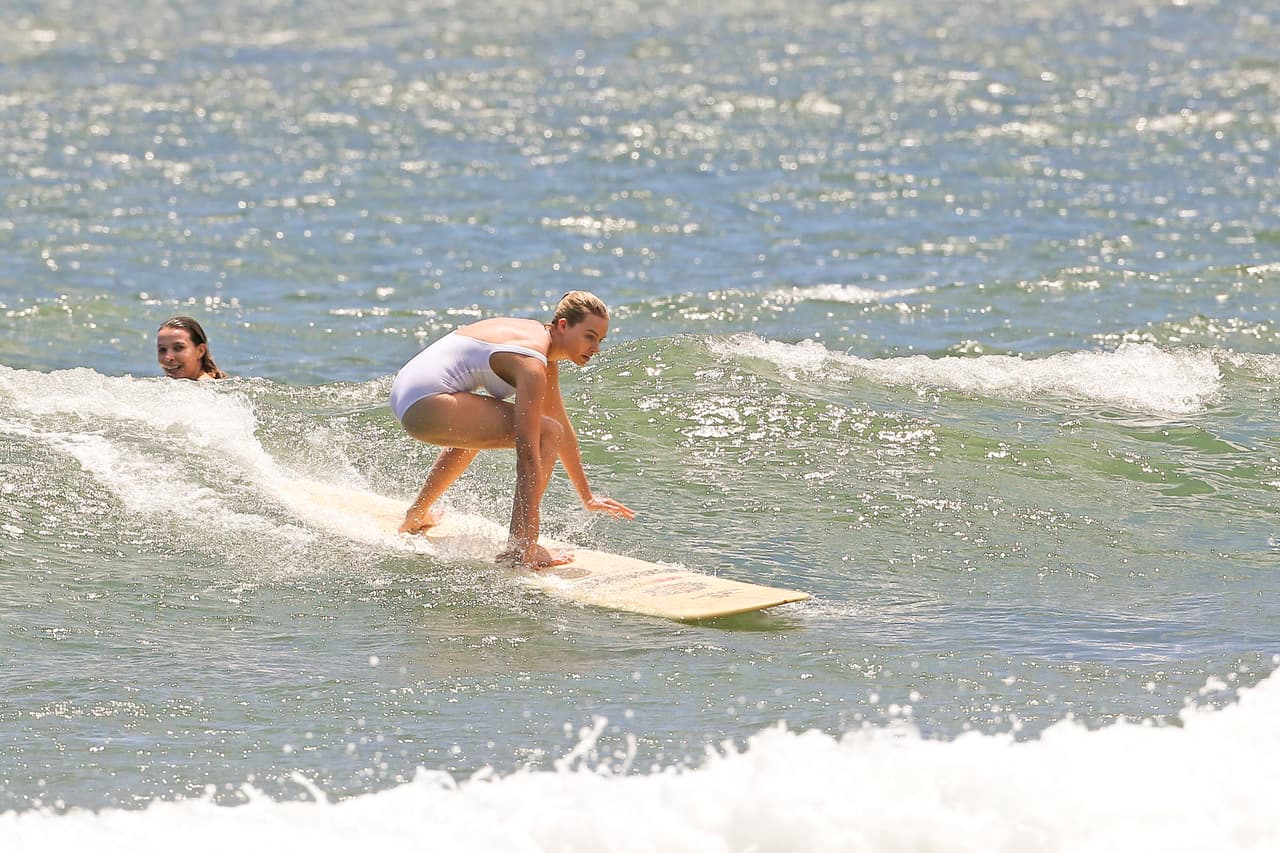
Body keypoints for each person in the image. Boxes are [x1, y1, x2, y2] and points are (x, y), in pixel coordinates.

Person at [390, 291, 634, 570]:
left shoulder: (539, 346)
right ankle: (520, 549)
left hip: (408, 394)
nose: (596, 348)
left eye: (601, 340)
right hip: (424, 405)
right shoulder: (532, 366)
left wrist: (587, 496)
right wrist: (528, 542)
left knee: (487, 428)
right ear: (563, 326)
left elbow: (562, 426)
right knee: (545, 434)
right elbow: (528, 456)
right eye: (589, 336)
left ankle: (417, 514)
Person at [156, 316, 227, 380]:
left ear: (200, 351)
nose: (168, 357)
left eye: (178, 348)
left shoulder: (204, 387)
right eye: (162, 350)